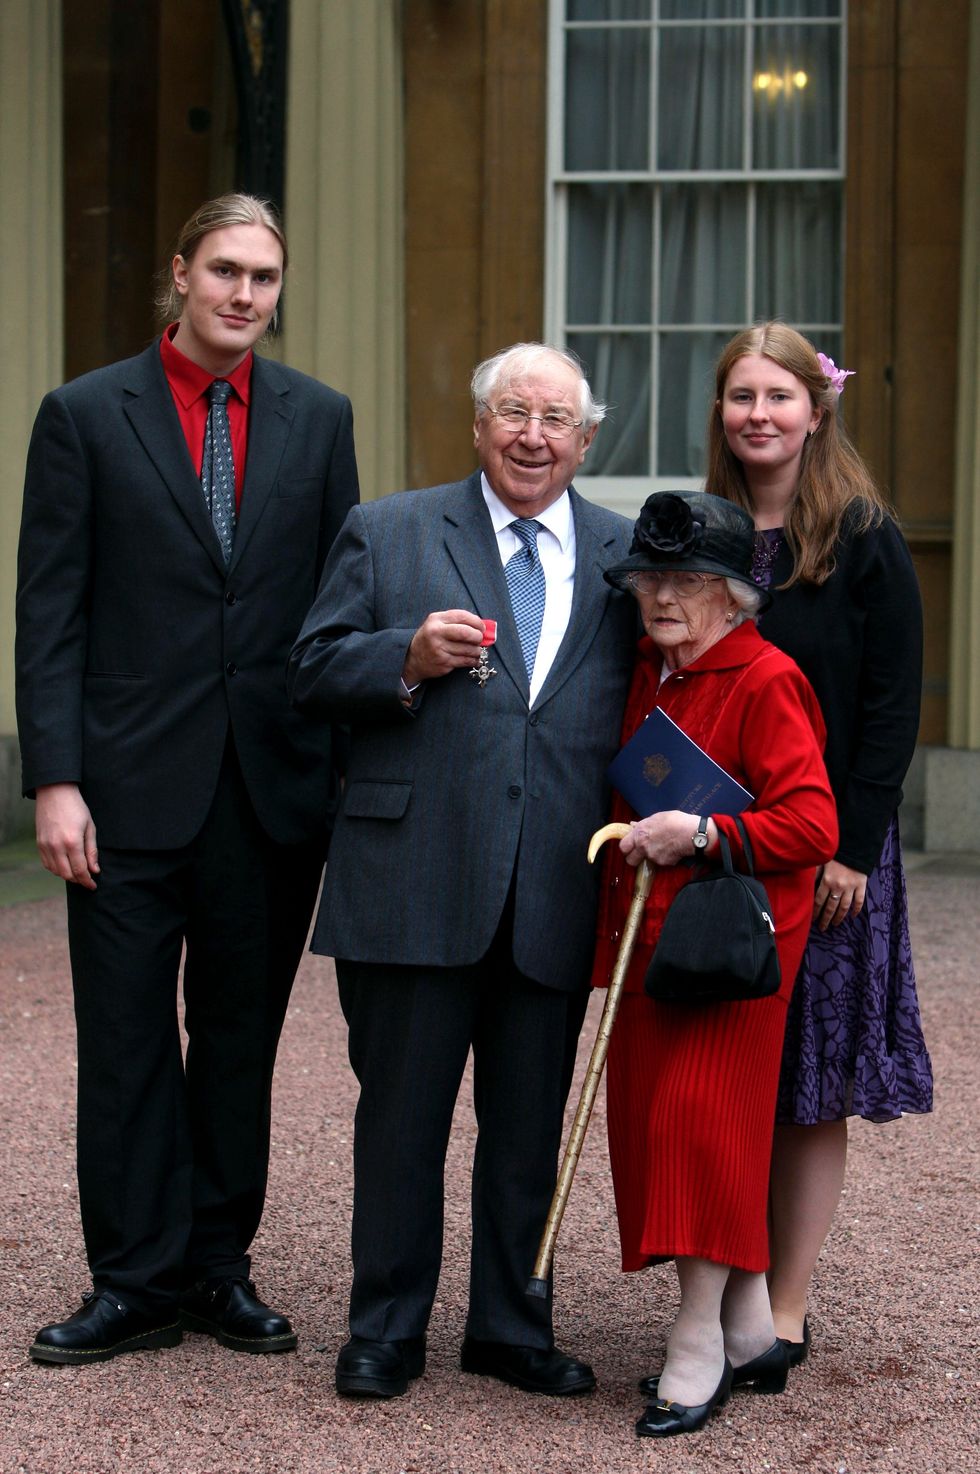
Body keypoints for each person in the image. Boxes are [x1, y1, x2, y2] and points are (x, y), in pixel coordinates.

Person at [16, 193, 359, 1365]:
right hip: (119, 794)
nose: (243, 295)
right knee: (123, 1041)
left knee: (234, 1040)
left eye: (264, 276)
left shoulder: (319, 421)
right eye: (224, 270)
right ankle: (132, 1279)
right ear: (181, 273)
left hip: (268, 793)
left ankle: (216, 1268)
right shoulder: (82, 415)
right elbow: (49, 614)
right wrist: (54, 780)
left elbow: (337, 607)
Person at [287, 343, 637, 1400]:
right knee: (399, 1117)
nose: (533, 436)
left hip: (554, 881)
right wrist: (400, 655)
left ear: (586, 439)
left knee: (528, 1122)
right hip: (414, 868)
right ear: (479, 424)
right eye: (513, 413)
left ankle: (508, 1324)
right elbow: (306, 669)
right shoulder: (390, 530)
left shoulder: (624, 555)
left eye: (556, 420)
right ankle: (386, 1327)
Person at [707, 323, 933, 1363]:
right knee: (723, 1065)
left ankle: (784, 1305)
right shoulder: (698, 533)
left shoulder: (862, 536)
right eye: (740, 396)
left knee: (806, 1078)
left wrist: (848, 845)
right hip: (716, 845)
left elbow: (891, 709)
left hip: (826, 856)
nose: (758, 414)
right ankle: (724, 1286)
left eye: (777, 397)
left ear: (815, 408)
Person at [592, 490, 838, 1439]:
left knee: (699, 1133)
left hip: (734, 958)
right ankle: (746, 1326)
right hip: (652, 949)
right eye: (649, 577)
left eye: (686, 580)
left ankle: (695, 1341)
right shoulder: (650, 673)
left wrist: (701, 829)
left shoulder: (766, 676)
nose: (661, 596)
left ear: (734, 595)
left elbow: (813, 823)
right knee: (667, 1133)